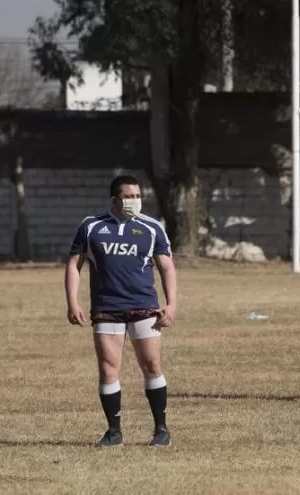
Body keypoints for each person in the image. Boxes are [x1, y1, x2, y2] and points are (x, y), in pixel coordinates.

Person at [64, 174, 179, 447]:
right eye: (129, 197)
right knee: (108, 369)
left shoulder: (152, 227)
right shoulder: (91, 226)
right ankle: (114, 432)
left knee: (152, 366)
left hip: (144, 307)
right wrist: (73, 302)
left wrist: (171, 304)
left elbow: (166, 267)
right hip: (107, 308)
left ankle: (161, 429)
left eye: (138, 196)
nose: (135, 201)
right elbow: (73, 265)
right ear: (115, 199)